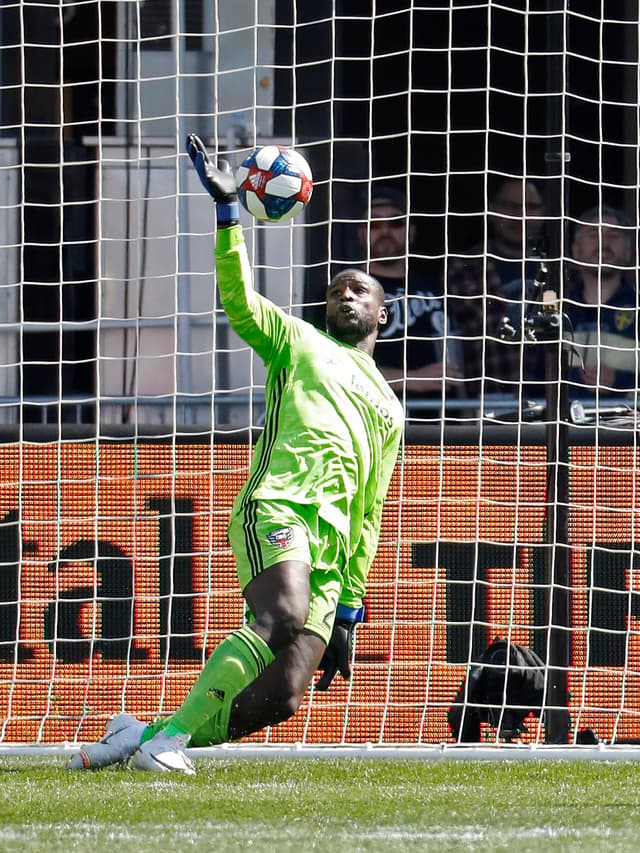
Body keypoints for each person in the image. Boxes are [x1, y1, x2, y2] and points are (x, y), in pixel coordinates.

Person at [67, 136, 403, 774]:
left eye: (359, 291)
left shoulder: (390, 406)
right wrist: (229, 216)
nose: (345, 296)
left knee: (283, 694)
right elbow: (242, 303)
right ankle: (166, 745)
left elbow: (371, 508)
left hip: (335, 549)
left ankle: (145, 734)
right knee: (280, 616)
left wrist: (350, 609)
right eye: (336, 290)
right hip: (280, 506)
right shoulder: (300, 342)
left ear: (383, 314)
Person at [356, 184, 464, 407]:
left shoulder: (436, 289)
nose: (385, 232)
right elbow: (336, 365)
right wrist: (412, 379)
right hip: (376, 416)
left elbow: (456, 359)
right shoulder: (346, 291)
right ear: (360, 234)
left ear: (411, 231)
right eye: (374, 224)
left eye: (396, 223)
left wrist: (465, 414)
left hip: (443, 417)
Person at [446, 177, 548, 403]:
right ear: (492, 209)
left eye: (530, 207)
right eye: (511, 206)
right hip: (484, 402)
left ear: (544, 212)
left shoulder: (561, 269)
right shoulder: (464, 265)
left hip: (549, 403)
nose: (520, 215)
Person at [557, 205, 639, 402]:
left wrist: (619, 382)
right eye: (593, 235)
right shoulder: (558, 310)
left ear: (628, 252)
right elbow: (535, 381)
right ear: (575, 251)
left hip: (625, 420)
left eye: (614, 235)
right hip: (564, 420)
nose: (603, 242)